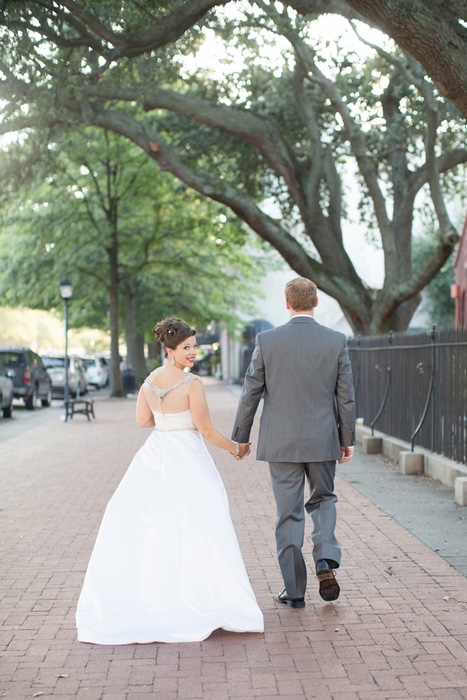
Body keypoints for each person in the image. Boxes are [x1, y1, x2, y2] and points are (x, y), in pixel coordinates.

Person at [76, 317, 263, 644]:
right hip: (187, 456)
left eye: (194, 346)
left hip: (157, 453)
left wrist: (166, 418)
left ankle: (160, 597)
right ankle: (202, 596)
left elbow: (142, 421)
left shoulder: (149, 383)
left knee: (158, 524)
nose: (193, 352)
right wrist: (236, 447)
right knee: (199, 522)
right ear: (169, 350)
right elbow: (204, 429)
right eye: (186, 347)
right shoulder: (192, 385)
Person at [232, 278, 355, 608]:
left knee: (288, 515)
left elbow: (251, 392)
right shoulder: (335, 340)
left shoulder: (267, 340)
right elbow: (345, 397)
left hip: (281, 443)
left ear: (287, 304)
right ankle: (325, 559)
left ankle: (295, 591)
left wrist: (241, 438)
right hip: (322, 439)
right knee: (324, 498)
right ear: (316, 303)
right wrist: (348, 439)